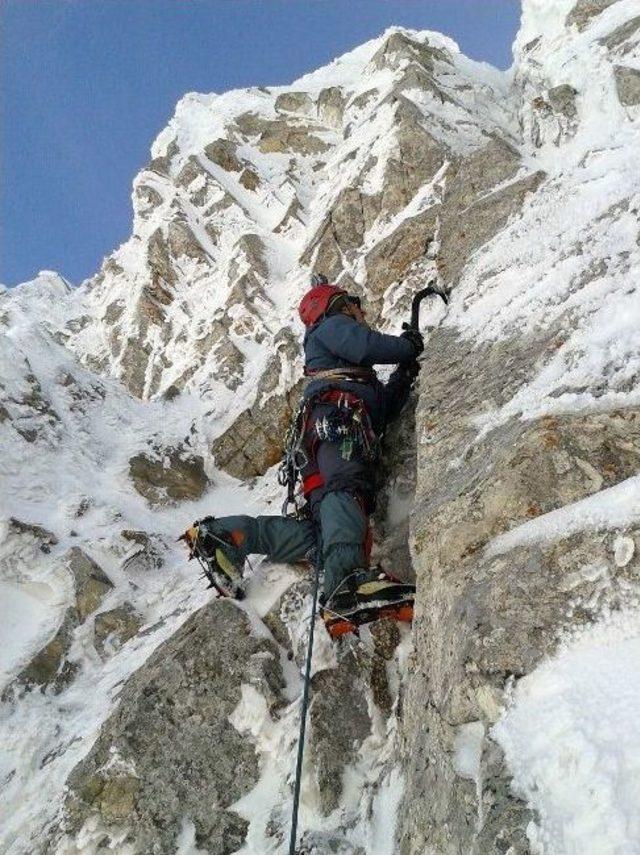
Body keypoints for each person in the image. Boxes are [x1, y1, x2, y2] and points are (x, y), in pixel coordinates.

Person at [181, 274, 423, 638]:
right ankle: (346, 584)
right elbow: (366, 344)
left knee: (318, 536)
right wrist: (407, 347)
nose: (361, 312)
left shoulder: (348, 371)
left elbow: (383, 410)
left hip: (324, 446)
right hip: (338, 436)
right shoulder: (329, 328)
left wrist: (403, 377)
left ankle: (226, 536)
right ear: (336, 304)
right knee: (345, 491)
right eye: (355, 305)